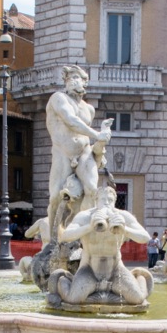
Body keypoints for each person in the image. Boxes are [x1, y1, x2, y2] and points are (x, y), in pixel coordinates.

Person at [46, 65, 113, 232]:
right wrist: (97, 135)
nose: (74, 81)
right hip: (63, 152)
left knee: (91, 189)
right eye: (71, 78)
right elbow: (70, 121)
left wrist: (99, 148)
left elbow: (84, 134)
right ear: (66, 81)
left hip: (84, 152)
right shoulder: (58, 98)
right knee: (55, 197)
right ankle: (54, 238)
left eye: (79, 78)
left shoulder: (89, 109)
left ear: (85, 83)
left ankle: (80, 230)